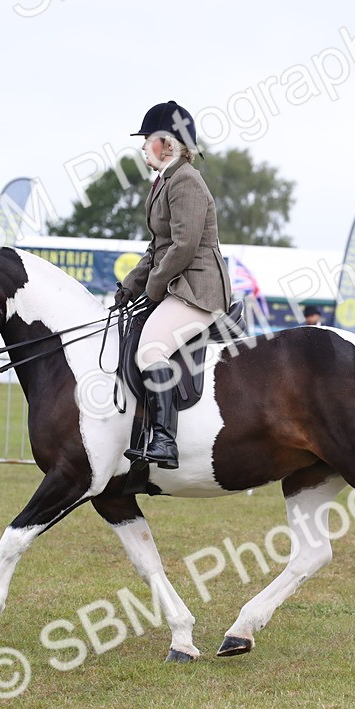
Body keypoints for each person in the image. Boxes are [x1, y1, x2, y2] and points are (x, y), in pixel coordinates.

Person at [114, 100, 231, 470]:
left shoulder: (186, 182)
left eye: (147, 139)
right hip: (180, 284)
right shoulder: (164, 181)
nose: (143, 146)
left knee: (151, 349)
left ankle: (164, 439)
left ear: (166, 143)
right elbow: (157, 247)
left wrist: (151, 293)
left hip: (199, 288)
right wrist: (130, 286)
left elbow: (183, 248)